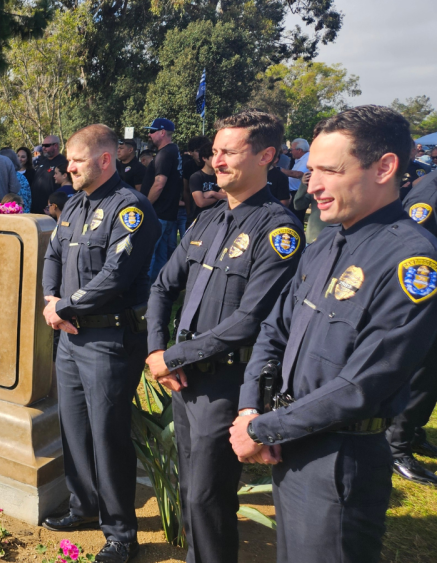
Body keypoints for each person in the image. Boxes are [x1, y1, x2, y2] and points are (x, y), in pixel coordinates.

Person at [230, 105, 437, 563]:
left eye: (330, 170)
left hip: (340, 460)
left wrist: (263, 428)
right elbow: (274, 330)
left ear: (385, 167)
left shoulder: (412, 263)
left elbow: (362, 385)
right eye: (311, 170)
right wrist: (250, 407)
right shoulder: (327, 244)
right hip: (290, 443)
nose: (313, 185)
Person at [147, 111, 304, 563]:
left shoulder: (278, 231)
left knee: (207, 499)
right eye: (214, 151)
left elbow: (249, 319)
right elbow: (163, 286)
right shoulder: (208, 219)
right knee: (190, 492)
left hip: (226, 385)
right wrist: (159, 350)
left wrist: (174, 356)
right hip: (182, 379)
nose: (216, 160)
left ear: (266, 156)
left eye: (228, 152)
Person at [41, 124, 160, 563]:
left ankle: (121, 533)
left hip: (109, 340)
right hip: (70, 339)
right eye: (68, 160)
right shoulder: (73, 205)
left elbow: (116, 275)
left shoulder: (131, 209)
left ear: (104, 160)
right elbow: (53, 255)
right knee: (73, 428)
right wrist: (52, 300)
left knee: (108, 436)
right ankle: (83, 506)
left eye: (76, 159)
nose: (67, 166)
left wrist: (65, 307)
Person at [392, 167, 437, 486]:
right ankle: (396, 445)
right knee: (421, 371)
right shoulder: (428, 195)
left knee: (432, 375)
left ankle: (414, 431)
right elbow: (412, 249)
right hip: (424, 298)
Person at [141, 118, 183, 282]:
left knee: (149, 254)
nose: (149, 135)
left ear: (162, 132)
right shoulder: (174, 151)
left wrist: (146, 207)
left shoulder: (165, 153)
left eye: (152, 131)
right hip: (167, 213)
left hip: (158, 213)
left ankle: (145, 292)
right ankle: (157, 289)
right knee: (161, 254)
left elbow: (159, 184)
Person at [33, 135, 69, 216]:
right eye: (43, 146)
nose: (43, 148)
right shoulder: (42, 160)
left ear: (55, 146)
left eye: (47, 146)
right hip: (36, 208)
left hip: (51, 210)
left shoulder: (63, 162)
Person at [188, 141, 224, 212]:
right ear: (204, 158)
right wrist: (219, 197)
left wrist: (212, 193)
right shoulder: (196, 177)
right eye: (212, 156)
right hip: (200, 217)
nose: (216, 159)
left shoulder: (221, 175)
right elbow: (200, 203)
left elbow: (228, 196)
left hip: (218, 216)